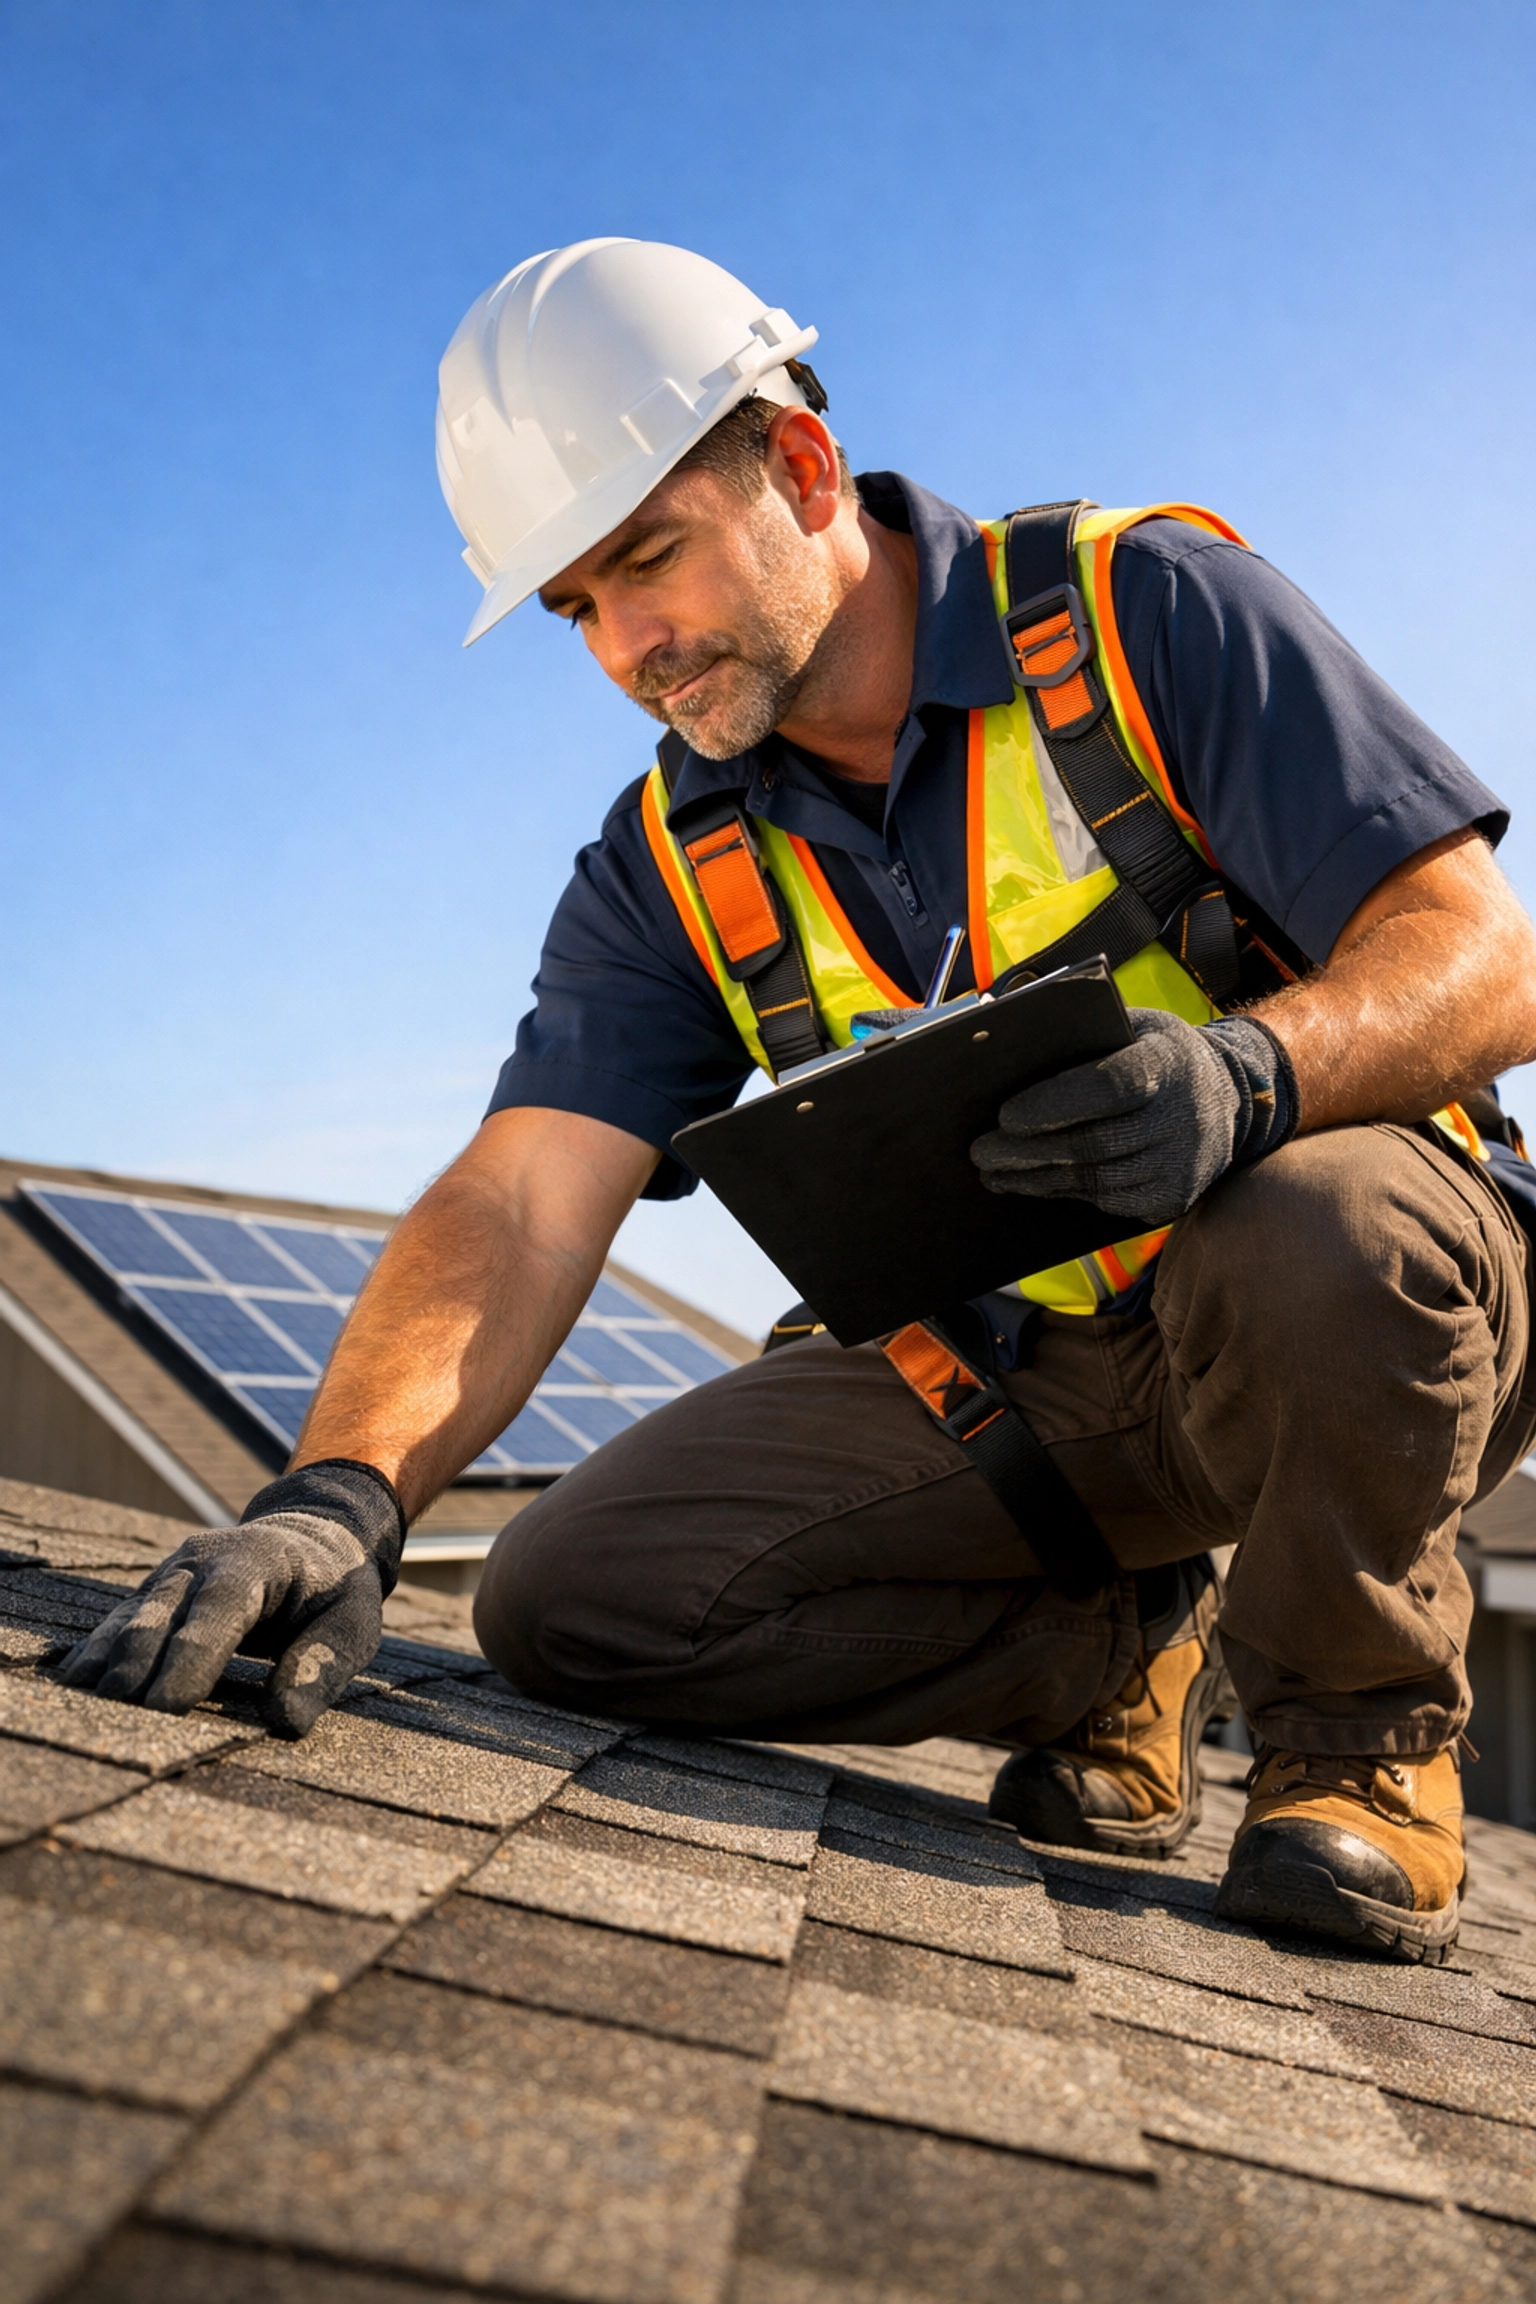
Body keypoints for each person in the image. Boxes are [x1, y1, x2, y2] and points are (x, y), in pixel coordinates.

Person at [65, 238, 1536, 1966]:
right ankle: (1112, 1639)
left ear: (805, 467)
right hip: (1034, 1395)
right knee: (573, 1606)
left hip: (1356, 1323)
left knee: (1313, 1217)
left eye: (647, 561)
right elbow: (527, 1194)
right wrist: (342, 1492)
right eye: (574, 610)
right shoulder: (669, 863)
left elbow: (1484, 958)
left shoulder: (1147, 616)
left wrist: (1250, 1073)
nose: (627, 647)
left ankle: (1357, 1758)